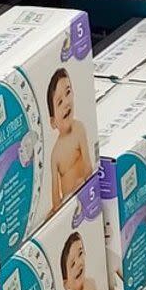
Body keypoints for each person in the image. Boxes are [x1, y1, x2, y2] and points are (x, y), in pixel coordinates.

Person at [47, 67, 94, 213]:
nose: (67, 102)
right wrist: (57, 209)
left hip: (84, 194)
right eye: (60, 102)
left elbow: (88, 166)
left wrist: (86, 186)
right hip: (68, 205)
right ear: (53, 122)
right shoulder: (55, 155)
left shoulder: (79, 129)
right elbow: (55, 195)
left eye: (68, 92)